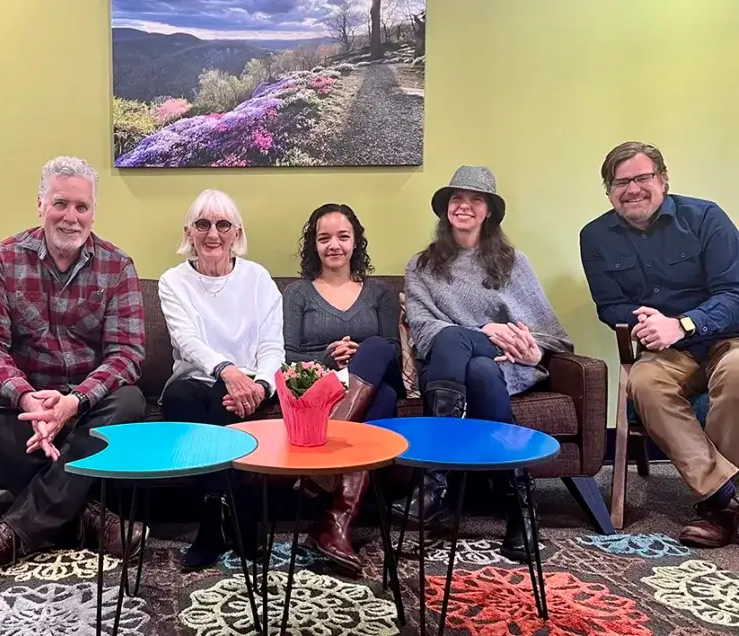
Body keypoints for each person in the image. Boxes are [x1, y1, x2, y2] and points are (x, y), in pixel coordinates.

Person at [0, 156, 148, 585]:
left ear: (93, 212)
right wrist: (25, 397)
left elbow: (127, 354)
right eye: (60, 204)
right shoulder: (4, 257)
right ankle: (84, 518)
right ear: (40, 205)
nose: (71, 217)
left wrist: (73, 402)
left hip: (87, 402)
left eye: (81, 207)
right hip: (27, 401)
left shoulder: (117, 265)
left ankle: (8, 535)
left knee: (130, 399)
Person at [404, 165, 573, 563]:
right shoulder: (421, 266)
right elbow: (423, 329)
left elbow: (550, 334)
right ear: (446, 209)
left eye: (475, 199)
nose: (464, 206)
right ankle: (521, 510)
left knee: (482, 366)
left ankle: (435, 482)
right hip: (444, 365)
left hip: (503, 364)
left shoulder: (514, 262)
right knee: (458, 347)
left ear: (489, 211)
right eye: (456, 199)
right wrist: (484, 329)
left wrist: (533, 352)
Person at [580, 141, 739, 547]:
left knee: (738, 375)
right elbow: (610, 304)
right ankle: (725, 497)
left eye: (642, 178)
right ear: (609, 190)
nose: (632, 189)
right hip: (664, 350)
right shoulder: (595, 236)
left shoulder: (706, 218)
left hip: (724, 339)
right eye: (620, 183)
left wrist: (683, 323)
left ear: (663, 180)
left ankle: (720, 513)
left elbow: (734, 293)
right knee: (644, 384)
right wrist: (646, 322)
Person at [157, 188, 284, 570]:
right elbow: (188, 342)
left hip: (248, 386)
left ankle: (214, 523)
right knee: (184, 396)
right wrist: (227, 372)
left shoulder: (258, 279)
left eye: (222, 224)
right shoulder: (172, 281)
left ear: (237, 233)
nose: (213, 233)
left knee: (220, 401)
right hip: (195, 379)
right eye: (203, 224)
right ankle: (234, 515)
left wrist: (261, 387)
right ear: (189, 232)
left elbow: (272, 347)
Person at [282, 203, 404, 574]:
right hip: (322, 385)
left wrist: (360, 353)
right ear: (313, 245)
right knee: (381, 399)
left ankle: (322, 462)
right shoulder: (297, 294)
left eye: (342, 236)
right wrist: (330, 356)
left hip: (378, 372)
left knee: (379, 347)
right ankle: (336, 520)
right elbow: (289, 355)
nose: (334, 245)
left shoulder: (380, 292)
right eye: (324, 238)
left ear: (356, 242)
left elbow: (393, 351)